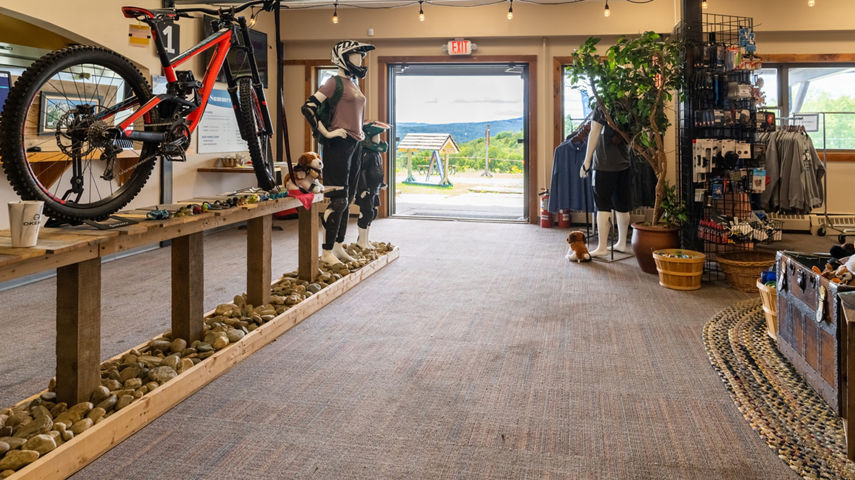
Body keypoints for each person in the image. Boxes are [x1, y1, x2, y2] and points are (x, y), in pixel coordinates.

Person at [301, 40, 375, 265]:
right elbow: (308, 107)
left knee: (349, 197)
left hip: (355, 144)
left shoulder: (353, 83)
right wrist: (329, 133)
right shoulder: (334, 82)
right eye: (356, 56)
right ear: (343, 57)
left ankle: (338, 246)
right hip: (338, 147)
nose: (360, 60)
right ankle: (326, 253)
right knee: (339, 200)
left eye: (361, 56)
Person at [579, 106, 632, 257]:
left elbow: (594, 131)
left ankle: (602, 246)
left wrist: (587, 161)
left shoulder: (603, 103)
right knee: (622, 204)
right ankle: (621, 243)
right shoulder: (628, 102)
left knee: (602, 204)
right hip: (624, 162)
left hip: (603, 164)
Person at [355, 121, 390, 249]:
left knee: (372, 212)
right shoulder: (365, 154)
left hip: (374, 188)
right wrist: (363, 188)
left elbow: (377, 170)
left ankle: (365, 239)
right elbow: (361, 172)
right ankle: (361, 241)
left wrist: (381, 183)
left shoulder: (376, 154)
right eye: (376, 136)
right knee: (366, 212)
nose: (378, 140)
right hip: (366, 189)